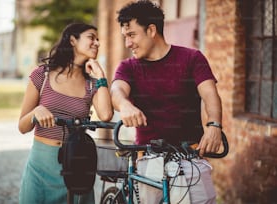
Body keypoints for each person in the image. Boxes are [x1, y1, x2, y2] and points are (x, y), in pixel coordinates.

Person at [110, 1, 223, 203]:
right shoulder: (128, 67)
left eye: (132, 35)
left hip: (191, 157)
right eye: (125, 37)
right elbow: (117, 90)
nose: (128, 43)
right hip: (149, 159)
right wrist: (125, 105)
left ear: (151, 30)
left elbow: (210, 93)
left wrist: (214, 125)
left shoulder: (191, 58)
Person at [18, 22, 113, 204]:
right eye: (91, 37)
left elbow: (106, 114)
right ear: (72, 40)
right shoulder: (42, 75)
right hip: (41, 167)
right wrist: (36, 112)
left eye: (98, 39)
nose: (97, 43)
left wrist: (101, 76)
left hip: (77, 166)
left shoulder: (92, 84)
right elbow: (22, 126)